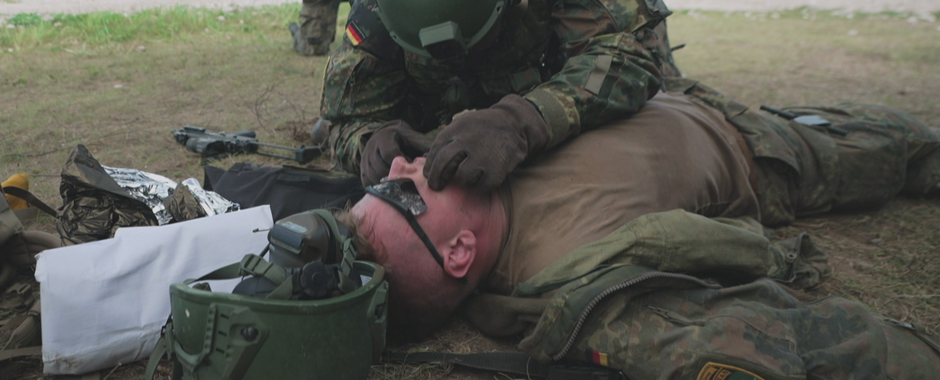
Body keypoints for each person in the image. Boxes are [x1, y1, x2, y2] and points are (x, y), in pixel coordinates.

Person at [339, 78, 940, 378]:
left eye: (380, 182)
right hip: (762, 152)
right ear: (460, 253)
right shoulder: (575, 277)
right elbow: (824, 345)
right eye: (399, 190)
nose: (399, 166)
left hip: (680, 91)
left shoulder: (474, 157)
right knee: (909, 145)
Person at [320, 0, 680, 186]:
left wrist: (526, 120)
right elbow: (343, 121)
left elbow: (635, 54)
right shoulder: (383, 2)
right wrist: (370, 145)